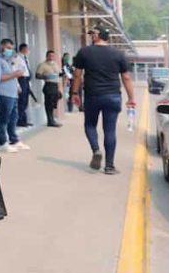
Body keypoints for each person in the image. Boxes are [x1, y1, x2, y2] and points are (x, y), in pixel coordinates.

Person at [71, 27, 136, 175]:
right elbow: (126, 77)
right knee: (110, 130)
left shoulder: (84, 52)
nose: (91, 37)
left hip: (92, 95)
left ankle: (96, 150)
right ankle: (109, 166)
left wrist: (75, 93)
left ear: (98, 35)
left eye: (92, 34)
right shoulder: (119, 54)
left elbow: (77, 75)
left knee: (89, 125)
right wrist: (131, 98)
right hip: (113, 96)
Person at [0, 39, 28, 152]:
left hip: (13, 94)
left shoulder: (8, 61)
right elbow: (0, 77)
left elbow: (12, 77)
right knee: (3, 118)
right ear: (1, 46)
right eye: (8, 48)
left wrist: (17, 86)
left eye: (11, 48)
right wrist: (15, 74)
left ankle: (14, 139)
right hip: (4, 94)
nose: (10, 50)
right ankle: (3, 142)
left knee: (13, 118)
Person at [35, 50, 63, 127]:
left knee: (56, 99)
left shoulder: (55, 64)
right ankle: (50, 121)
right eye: (50, 55)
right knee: (49, 103)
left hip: (55, 85)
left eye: (53, 56)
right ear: (47, 56)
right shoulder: (42, 65)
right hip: (48, 84)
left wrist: (63, 73)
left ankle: (52, 119)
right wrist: (46, 76)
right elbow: (37, 75)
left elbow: (59, 74)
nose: (51, 57)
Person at [14, 43, 34, 127]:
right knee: (21, 101)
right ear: (23, 49)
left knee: (25, 101)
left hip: (26, 81)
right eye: (27, 49)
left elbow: (27, 71)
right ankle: (20, 120)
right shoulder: (16, 58)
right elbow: (14, 71)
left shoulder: (25, 58)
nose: (28, 50)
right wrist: (18, 85)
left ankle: (24, 120)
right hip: (21, 80)